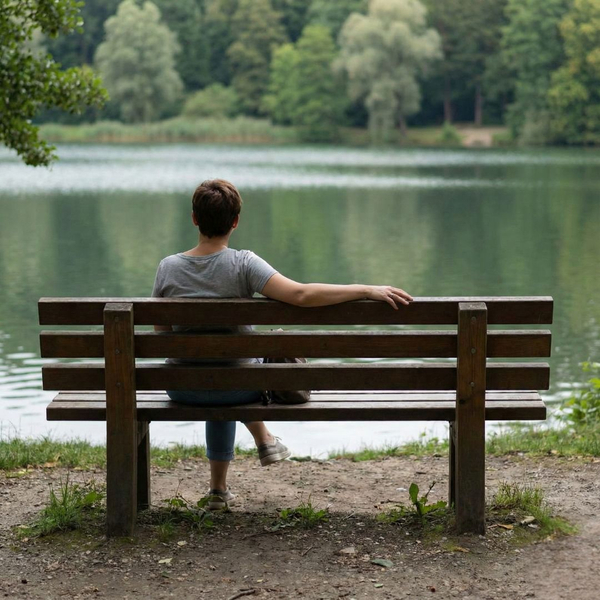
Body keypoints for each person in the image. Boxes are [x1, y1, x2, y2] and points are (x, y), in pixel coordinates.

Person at [151, 179, 413, 509]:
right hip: (238, 388)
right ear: (235, 221)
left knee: (214, 372)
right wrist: (364, 289)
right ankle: (262, 442)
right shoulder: (244, 263)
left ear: (193, 219)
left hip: (182, 388)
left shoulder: (168, 267)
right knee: (233, 372)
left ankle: (219, 490)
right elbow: (301, 295)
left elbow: (162, 336)